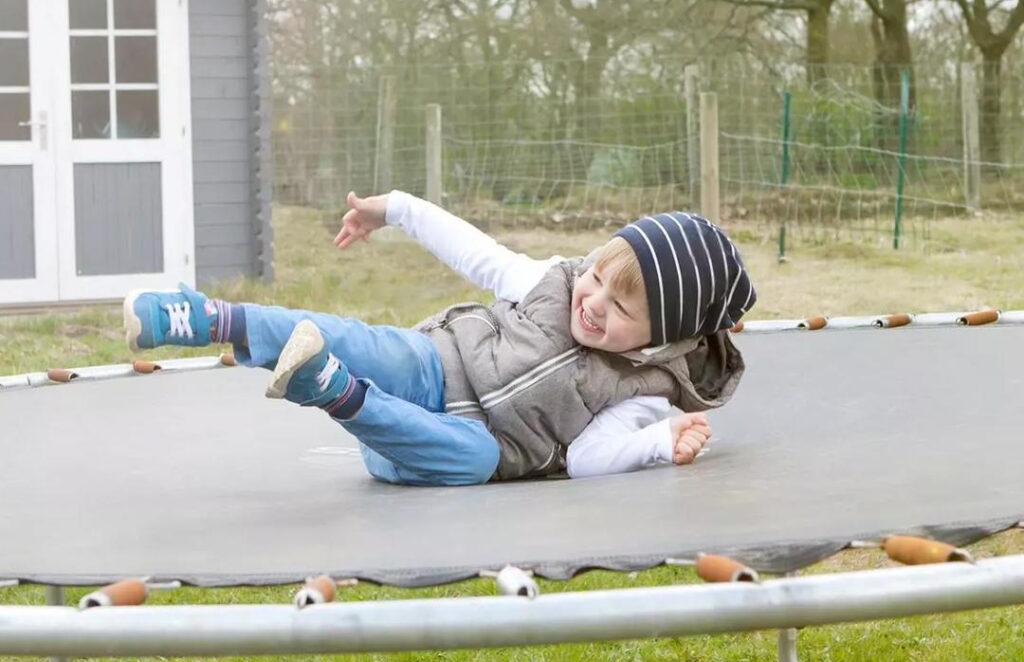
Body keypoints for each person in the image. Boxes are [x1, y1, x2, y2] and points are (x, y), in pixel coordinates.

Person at [124, 191, 756, 486]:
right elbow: (472, 250)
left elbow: (590, 460)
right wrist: (394, 208)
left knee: (476, 459)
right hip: (434, 367)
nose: (590, 302)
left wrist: (655, 440)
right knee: (351, 337)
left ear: (659, 341)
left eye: (619, 308)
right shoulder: (550, 284)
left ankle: (331, 391)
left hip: (435, 447)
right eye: (594, 276)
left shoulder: (642, 394)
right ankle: (204, 318)